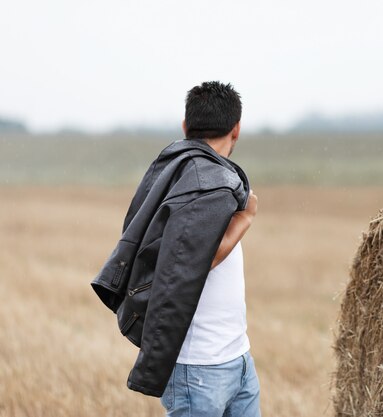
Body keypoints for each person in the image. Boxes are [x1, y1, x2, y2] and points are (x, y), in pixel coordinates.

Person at [91, 81, 261, 417]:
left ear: (186, 127)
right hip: (199, 368)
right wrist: (245, 219)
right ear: (236, 129)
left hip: (238, 357)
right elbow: (191, 260)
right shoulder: (205, 180)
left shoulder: (186, 171)